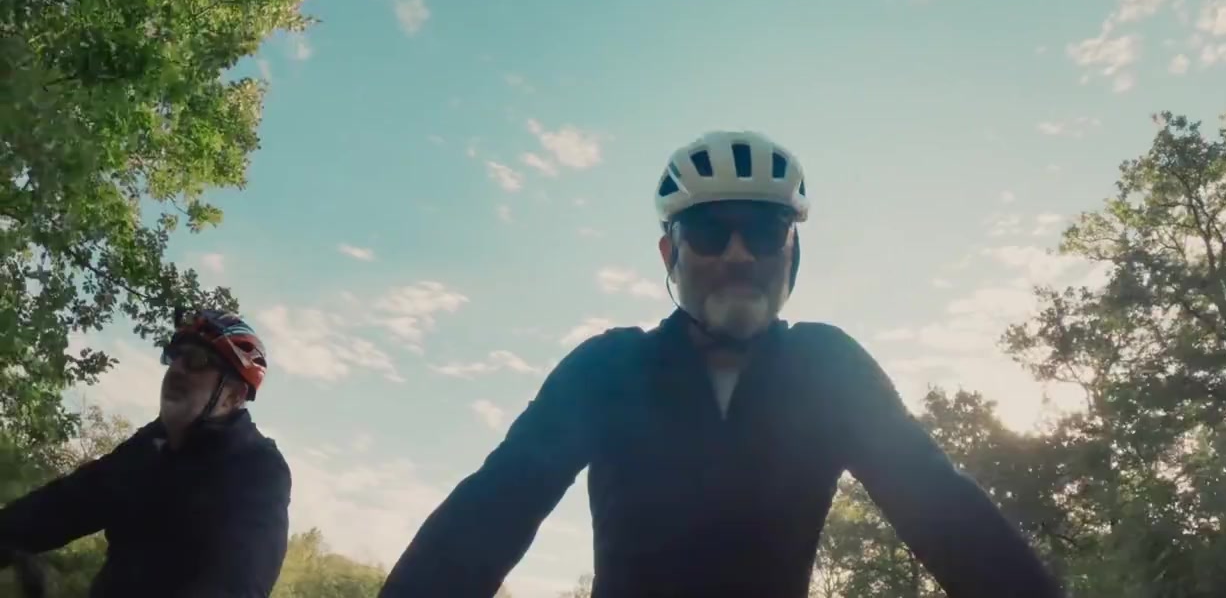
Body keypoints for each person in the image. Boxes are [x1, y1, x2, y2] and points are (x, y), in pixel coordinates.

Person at [378, 131, 1065, 598]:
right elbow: (490, 512)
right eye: (709, 231)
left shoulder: (830, 368)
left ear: (791, 252)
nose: (738, 254)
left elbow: (945, 513)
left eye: (764, 231)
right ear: (669, 254)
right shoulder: (606, 369)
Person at [0, 307, 292, 598]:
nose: (177, 369)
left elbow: (238, 582)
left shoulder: (258, 469)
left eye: (196, 360)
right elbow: (66, 504)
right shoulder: (150, 444)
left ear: (232, 396)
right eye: (175, 357)